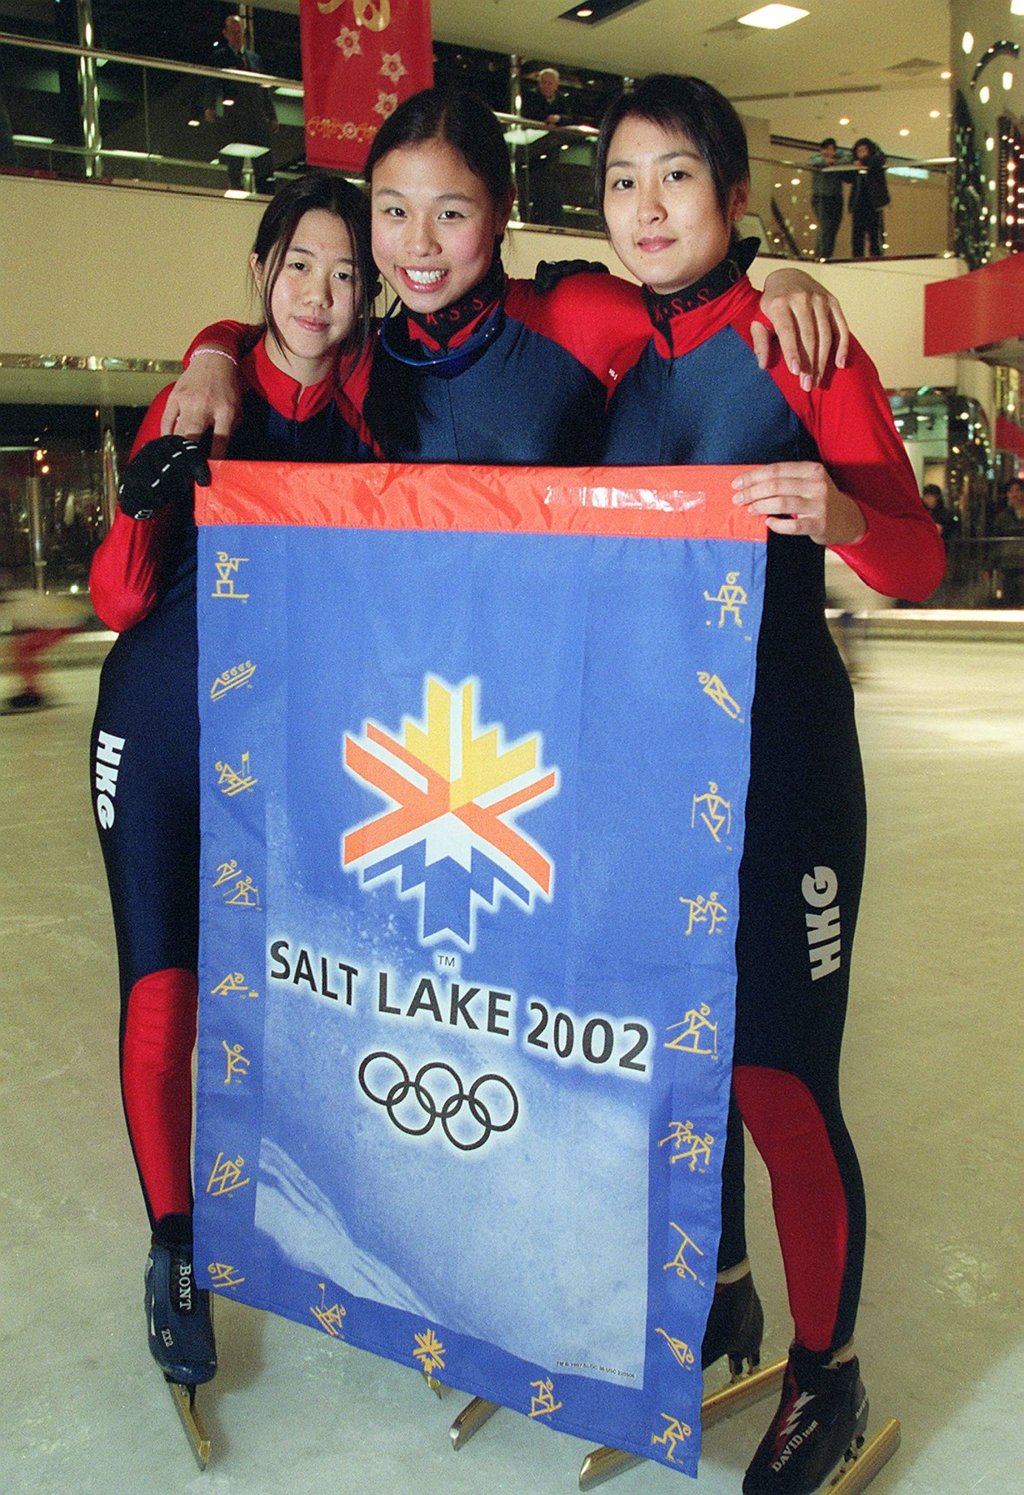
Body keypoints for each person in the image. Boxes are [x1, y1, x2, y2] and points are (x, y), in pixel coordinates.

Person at [596, 74, 945, 1494]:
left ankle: (830, 1373)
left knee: (778, 1075)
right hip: (650, 764)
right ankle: (723, 1288)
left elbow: (917, 558)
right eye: (623, 180)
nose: (648, 206)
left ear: (734, 197)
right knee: (679, 1059)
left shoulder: (798, 339)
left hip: (785, 757)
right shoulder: (619, 356)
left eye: (677, 176)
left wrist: (839, 506)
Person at [89, 173, 377, 1395]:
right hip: (156, 733)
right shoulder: (200, 392)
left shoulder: (372, 407)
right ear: (264, 268)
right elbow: (115, 599)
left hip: (289, 755)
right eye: (300, 264)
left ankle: (326, 1218)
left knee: (315, 1001)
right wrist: (144, 487)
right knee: (167, 1000)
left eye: (346, 273)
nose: (319, 294)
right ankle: (173, 1248)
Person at [203, 12, 278, 193]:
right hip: (235, 116)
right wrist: (209, 106)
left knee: (263, 160)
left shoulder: (254, 59)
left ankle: (266, 193)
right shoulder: (220, 57)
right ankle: (236, 189)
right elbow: (212, 83)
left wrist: (272, 115)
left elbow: (263, 88)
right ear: (226, 34)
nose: (237, 37)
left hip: (257, 115)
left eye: (240, 33)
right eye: (234, 33)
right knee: (234, 160)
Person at [846, 137, 889, 259]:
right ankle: (857, 259)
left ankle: (876, 258)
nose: (862, 153)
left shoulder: (876, 160)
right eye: (859, 151)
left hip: (874, 204)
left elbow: (879, 160)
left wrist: (864, 161)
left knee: (874, 235)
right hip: (858, 204)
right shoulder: (854, 165)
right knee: (857, 236)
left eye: (864, 150)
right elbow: (846, 177)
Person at [807, 137, 847, 260]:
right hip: (820, 197)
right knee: (825, 226)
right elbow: (812, 161)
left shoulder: (837, 158)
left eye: (832, 149)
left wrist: (833, 160)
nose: (829, 152)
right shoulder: (815, 158)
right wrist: (825, 160)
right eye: (827, 149)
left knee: (834, 227)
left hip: (836, 197)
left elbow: (848, 156)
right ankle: (820, 254)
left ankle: (827, 254)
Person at [992, 476, 1024, 604]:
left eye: (1018, 490)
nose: (1014, 494)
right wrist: (989, 566)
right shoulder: (1003, 517)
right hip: (1007, 565)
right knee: (1009, 600)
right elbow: (995, 542)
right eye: (1011, 491)